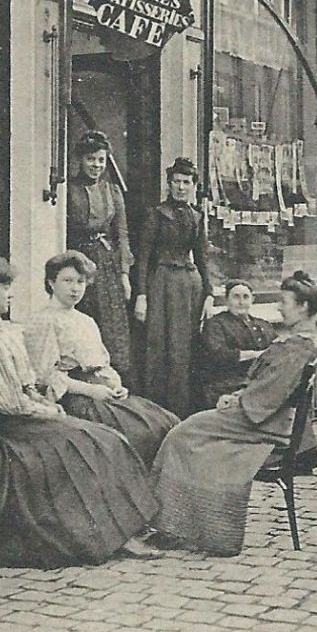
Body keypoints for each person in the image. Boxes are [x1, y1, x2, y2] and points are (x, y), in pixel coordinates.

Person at [0, 258, 157, 567]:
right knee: (99, 442)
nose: (10, 295)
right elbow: (7, 401)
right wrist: (47, 411)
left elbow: (22, 382)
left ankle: (118, 532)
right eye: (5, 288)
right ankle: (112, 535)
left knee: (106, 439)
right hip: (13, 426)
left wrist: (42, 402)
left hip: (25, 415)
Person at [150, 271, 317, 557]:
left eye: (285, 302)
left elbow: (268, 396)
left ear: (303, 307)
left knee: (182, 434)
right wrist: (239, 396)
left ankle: (174, 525)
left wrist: (236, 403)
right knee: (188, 434)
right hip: (260, 415)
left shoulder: (297, 349)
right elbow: (266, 389)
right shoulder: (293, 345)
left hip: (262, 425)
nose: (279, 307)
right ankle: (180, 523)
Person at [23, 250, 180, 466]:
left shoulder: (86, 321)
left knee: (165, 423)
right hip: (74, 397)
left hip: (103, 393)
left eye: (81, 281)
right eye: (67, 281)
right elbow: (46, 376)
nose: (75, 288)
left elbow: (102, 363)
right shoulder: (42, 321)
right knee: (134, 435)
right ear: (51, 283)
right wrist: (92, 391)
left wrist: (116, 385)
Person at [135, 157, 214, 417]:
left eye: (186, 183)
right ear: (169, 184)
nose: (181, 187)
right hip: (162, 283)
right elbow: (144, 257)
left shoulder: (196, 216)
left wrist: (210, 294)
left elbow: (202, 257)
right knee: (160, 345)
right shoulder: (156, 214)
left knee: (184, 348)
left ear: (193, 186)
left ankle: (183, 411)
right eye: (176, 182)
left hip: (189, 286)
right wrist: (142, 296)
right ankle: (158, 411)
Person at [66, 130, 136, 385]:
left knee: (112, 326)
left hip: (107, 263)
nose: (96, 165)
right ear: (80, 160)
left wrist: (125, 275)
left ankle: (112, 382)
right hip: (79, 261)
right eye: (90, 159)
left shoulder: (113, 190)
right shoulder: (69, 189)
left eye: (100, 160)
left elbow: (122, 234)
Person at [193, 279, 273, 411]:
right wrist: (257, 354)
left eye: (245, 297)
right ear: (226, 299)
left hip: (257, 384)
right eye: (236, 297)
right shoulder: (216, 324)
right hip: (226, 385)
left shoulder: (263, 325)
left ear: (253, 299)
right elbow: (218, 355)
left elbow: (277, 350)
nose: (241, 302)